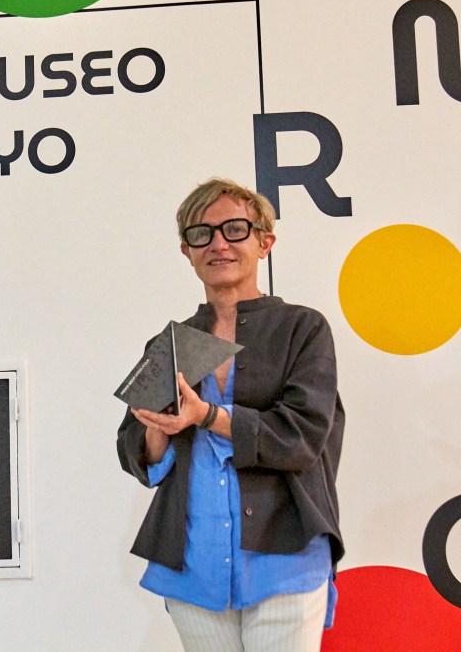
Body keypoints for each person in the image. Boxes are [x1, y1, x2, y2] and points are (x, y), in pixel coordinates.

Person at [116, 178, 346, 652]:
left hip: (285, 556)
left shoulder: (302, 328)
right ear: (187, 251)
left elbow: (302, 437)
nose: (218, 244)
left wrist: (207, 416)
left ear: (265, 242)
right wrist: (158, 432)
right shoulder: (171, 342)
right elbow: (134, 450)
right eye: (201, 234)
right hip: (193, 562)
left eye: (234, 229)